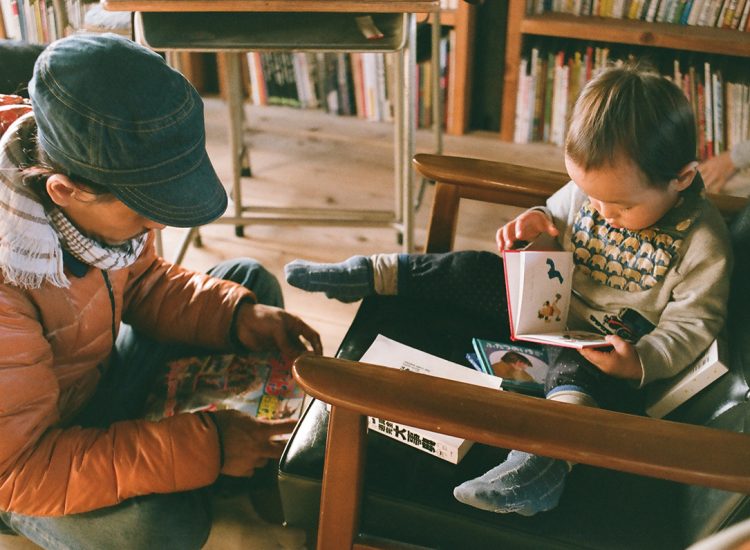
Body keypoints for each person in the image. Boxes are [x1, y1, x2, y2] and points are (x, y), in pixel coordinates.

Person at [285, 63, 732, 516]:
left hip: (603, 352)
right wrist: (537, 221)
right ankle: (370, 272)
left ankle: (536, 472)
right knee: (473, 268)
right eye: (588, 195)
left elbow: (695, 323)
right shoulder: (592, 194)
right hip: (545, 306)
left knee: (576, 382)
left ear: (682, 178)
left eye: (620, 206)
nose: (600, 212)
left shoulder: (702, 243)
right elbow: (555, 217)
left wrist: (640, 361)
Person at [0, 33, 321, 549]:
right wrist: (205, 447)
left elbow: (143, 282)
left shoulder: (83, 193)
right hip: (25, 467)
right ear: (65, 190)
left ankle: (211, 461)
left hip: (91, 385)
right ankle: (213, 470)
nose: (156, 223)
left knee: (247, 286)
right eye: (143, 209)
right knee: (162, 529)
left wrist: (233, 318)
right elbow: (20, 469)